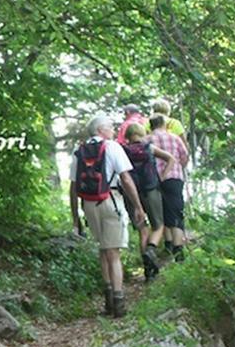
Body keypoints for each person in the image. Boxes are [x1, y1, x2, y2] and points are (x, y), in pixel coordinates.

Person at [70, 115, 146, 318]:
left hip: (89, 204)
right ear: (101, 129)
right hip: (111, 200)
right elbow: (126, 178)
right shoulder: (112, 147)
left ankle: (108, 299)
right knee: (113, 254)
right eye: (111, 127)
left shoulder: (79, 151)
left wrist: (76, 218)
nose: (114, 131)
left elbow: (73, 186)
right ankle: (119, 303)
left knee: (103, 250)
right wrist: (138, 206)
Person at [122, 122, 177, 282]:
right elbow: (171, 159)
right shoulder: (149, 148)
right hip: (151, 189)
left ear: (127, 136)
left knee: (142, 230)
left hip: (131, 194)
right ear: (141, 132)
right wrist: (163, 176)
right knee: (158, 225)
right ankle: (151, 250)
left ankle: (148, 271)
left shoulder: (123, 151)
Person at [148, 114, 189, 261]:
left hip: (154, 181)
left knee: (163, 213)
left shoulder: (147, 140)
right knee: (177, 212)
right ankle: (178, 250)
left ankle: (168, 245)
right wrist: (179, 167)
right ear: (164, 124)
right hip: (174, 178)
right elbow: (184, 156)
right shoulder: (175, 138)